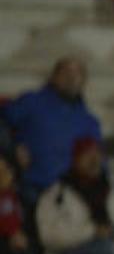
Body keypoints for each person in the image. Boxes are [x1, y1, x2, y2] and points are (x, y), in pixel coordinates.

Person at [2, 58, 102, 203]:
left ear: (84, 81)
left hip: (71, 199)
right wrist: (12, 148)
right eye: (66, 71)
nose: (72, 77)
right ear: (54, 76)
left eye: (78, 73)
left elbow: (100, 167)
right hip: (31, 190)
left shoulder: (90, 122)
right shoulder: (31, 102)